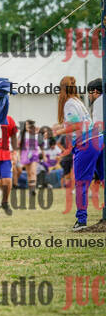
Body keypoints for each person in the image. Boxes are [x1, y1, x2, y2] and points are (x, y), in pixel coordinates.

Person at [53, 76, 104, 231]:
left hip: (86, 143)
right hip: (99, 139)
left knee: (81, 183)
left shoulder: (69, 103)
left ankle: (81, 220)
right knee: (103, 178)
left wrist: (58, 132)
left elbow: (77, 126)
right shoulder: (78, 101)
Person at [19, 120, 41, 196]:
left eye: (29, 125)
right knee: (29, 174)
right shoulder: (22, 135)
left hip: (34, 155)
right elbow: (19, 147)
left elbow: (40, 143)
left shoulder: (36, 134)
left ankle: (33, 190)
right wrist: (19, 157)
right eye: (26, 125)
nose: (27, 126)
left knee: (33, 172)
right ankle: (30, 189)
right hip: (25, 155)